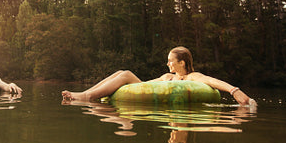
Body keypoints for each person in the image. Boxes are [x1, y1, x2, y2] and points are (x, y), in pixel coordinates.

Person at [62, 46, 256, 106]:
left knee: (127, 73)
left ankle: (85, 98)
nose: (168, 64)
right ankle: (86, 94)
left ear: (182, 63)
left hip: (157, 101)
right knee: (122, 73)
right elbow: (146, 85)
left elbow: (211, 81)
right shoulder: (167, 76)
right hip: (144, 89)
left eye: (171, 61)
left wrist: (234, 90)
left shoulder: (192, 77)